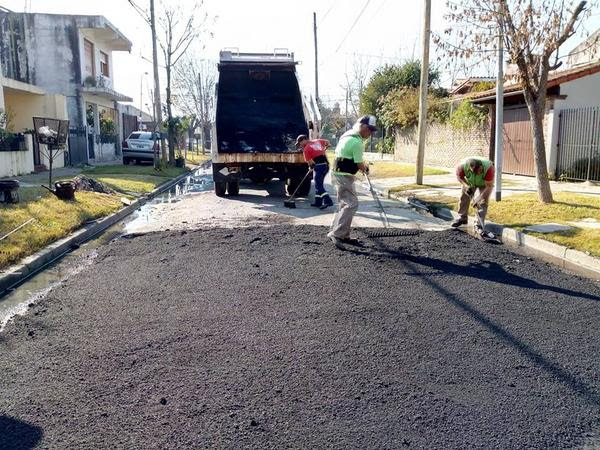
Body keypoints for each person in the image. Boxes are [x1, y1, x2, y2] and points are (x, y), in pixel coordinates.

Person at [327, 115, 377, 248]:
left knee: (345, 204)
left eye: (372, 130)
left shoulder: (348, 135)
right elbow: (359, 164)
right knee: (351, 204)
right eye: (369, 129)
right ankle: (337, 234)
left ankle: (343, 234)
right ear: (363, 126)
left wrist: (362, 167)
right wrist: (365, 168)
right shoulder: (356, 142)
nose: (371, 133)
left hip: (338, 174)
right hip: (343, 176)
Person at [452, 157, 495, 234]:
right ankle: (462, 218)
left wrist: (477, 199)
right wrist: (465, 185)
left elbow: (489, 186)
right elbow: (459, 177)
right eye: (474, 172)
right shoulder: (462, 166)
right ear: (469, 168)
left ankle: (478, 224)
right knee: (464, 196)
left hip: (484, 184)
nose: (478, 173)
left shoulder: (489, 168)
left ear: (481, 166)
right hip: (470, 182)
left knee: (482, 201)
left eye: (479, 171)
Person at [295, 135, 334, 209]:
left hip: (319, 166)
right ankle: (318, 202)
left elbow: (310, 162)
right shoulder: (317, 141)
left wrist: (310, 167)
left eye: (300, 143)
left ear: (304, 140)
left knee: (318, 185)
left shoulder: (306, 149)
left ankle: (328, 200)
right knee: (318, 183)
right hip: (326, 166)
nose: (300, 145)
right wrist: (326, 148)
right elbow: (328, 142)